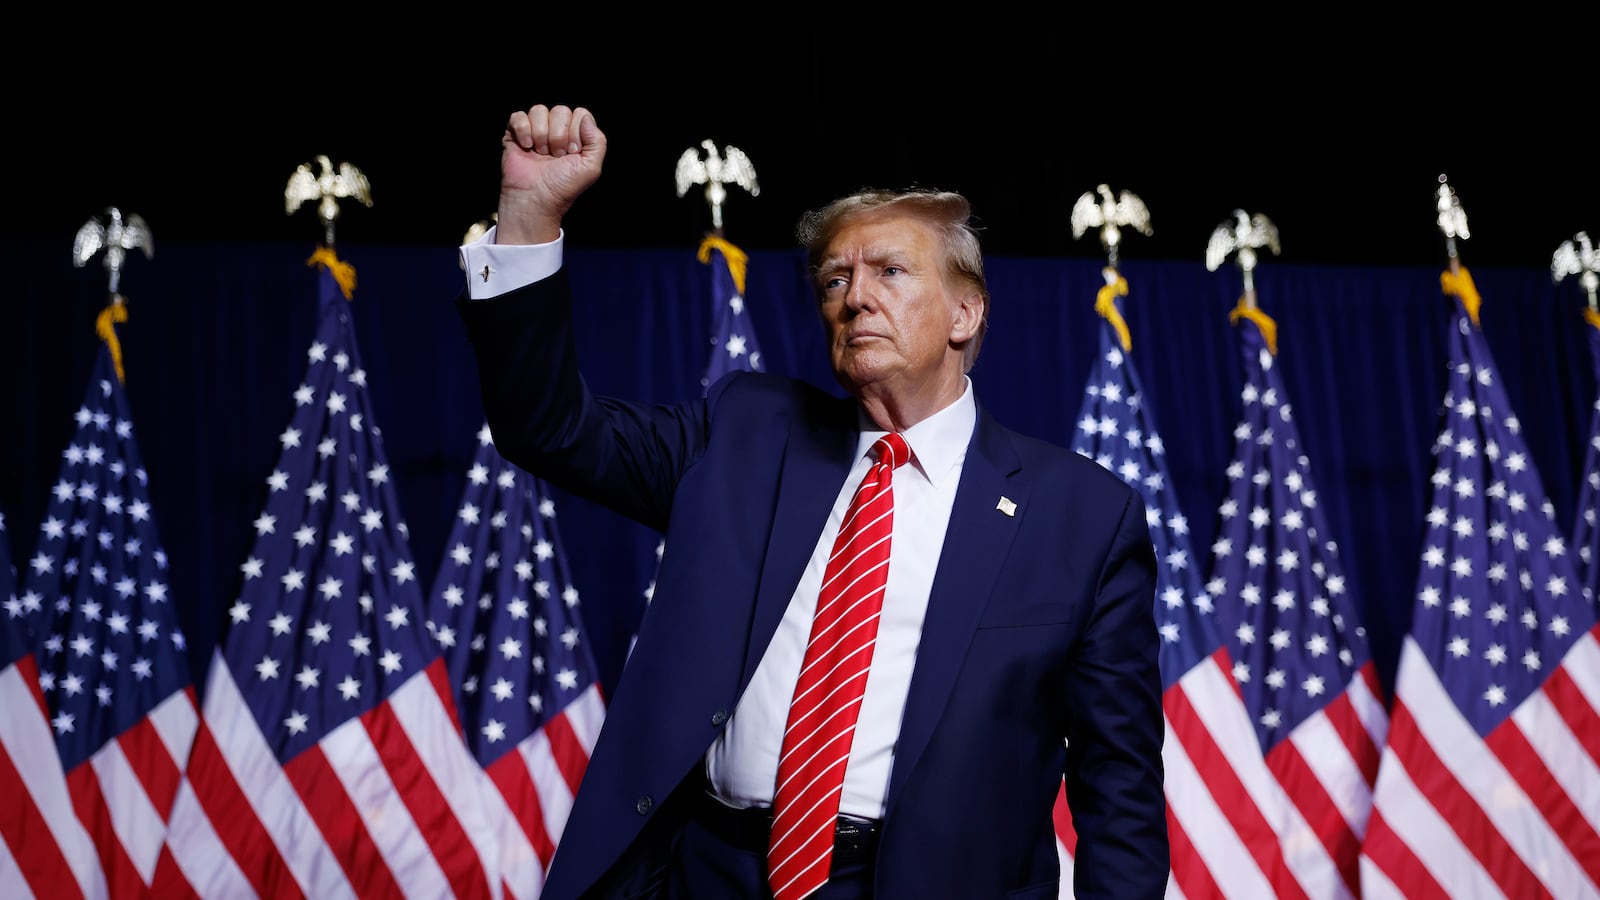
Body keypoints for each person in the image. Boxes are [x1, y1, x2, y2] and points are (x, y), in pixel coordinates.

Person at [455, 103, 1168, 899]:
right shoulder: (743, 433)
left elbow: (1120, 786)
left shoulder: (1081, 515)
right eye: (835, 279)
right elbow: (548, 429)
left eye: (888, 272)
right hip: (707, 874)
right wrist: (526, 219)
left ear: (966, 313)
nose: (855, 297)